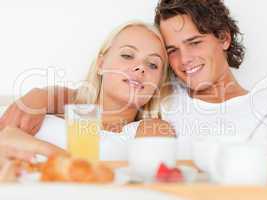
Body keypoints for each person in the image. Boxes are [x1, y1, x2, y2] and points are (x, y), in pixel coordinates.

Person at [154, 0, 267, 167]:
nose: (184, 59)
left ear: (224, 38)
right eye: (172, 50)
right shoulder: (164, 101)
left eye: (194, 43)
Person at [0, 21, 174, 161]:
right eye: (127, 55)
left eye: (152, 64)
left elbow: (148, 185)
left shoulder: (152, 129)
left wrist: (39, 148)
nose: (140, 68)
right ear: (101, 63)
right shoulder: (46, 107)